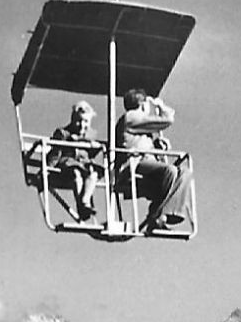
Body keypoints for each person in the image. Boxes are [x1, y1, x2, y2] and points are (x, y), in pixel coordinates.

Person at [115, 88, 193, 232]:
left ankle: (162, 215)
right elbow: (167, 120)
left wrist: (157, 144)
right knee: (170, 171)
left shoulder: (137, 123)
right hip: (134, 163)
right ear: (143, 105)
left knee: (185, 172)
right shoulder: (132, 117)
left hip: (146, 163)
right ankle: (159, 215)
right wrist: (160, 106)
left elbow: (139, 139)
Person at [51, 101, 103, 221]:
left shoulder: (90, 135)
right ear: (72, 120)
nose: (81, 125)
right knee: (76, 173)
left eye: (85, 122)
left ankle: (85, 200)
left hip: (84, 164)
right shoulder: (63, 133)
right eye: (79, 121)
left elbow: (90, 154)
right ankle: (81, 206)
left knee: (93, 174)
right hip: (68, 163)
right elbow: (55, 152)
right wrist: (48, 168)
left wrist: (94, 147)